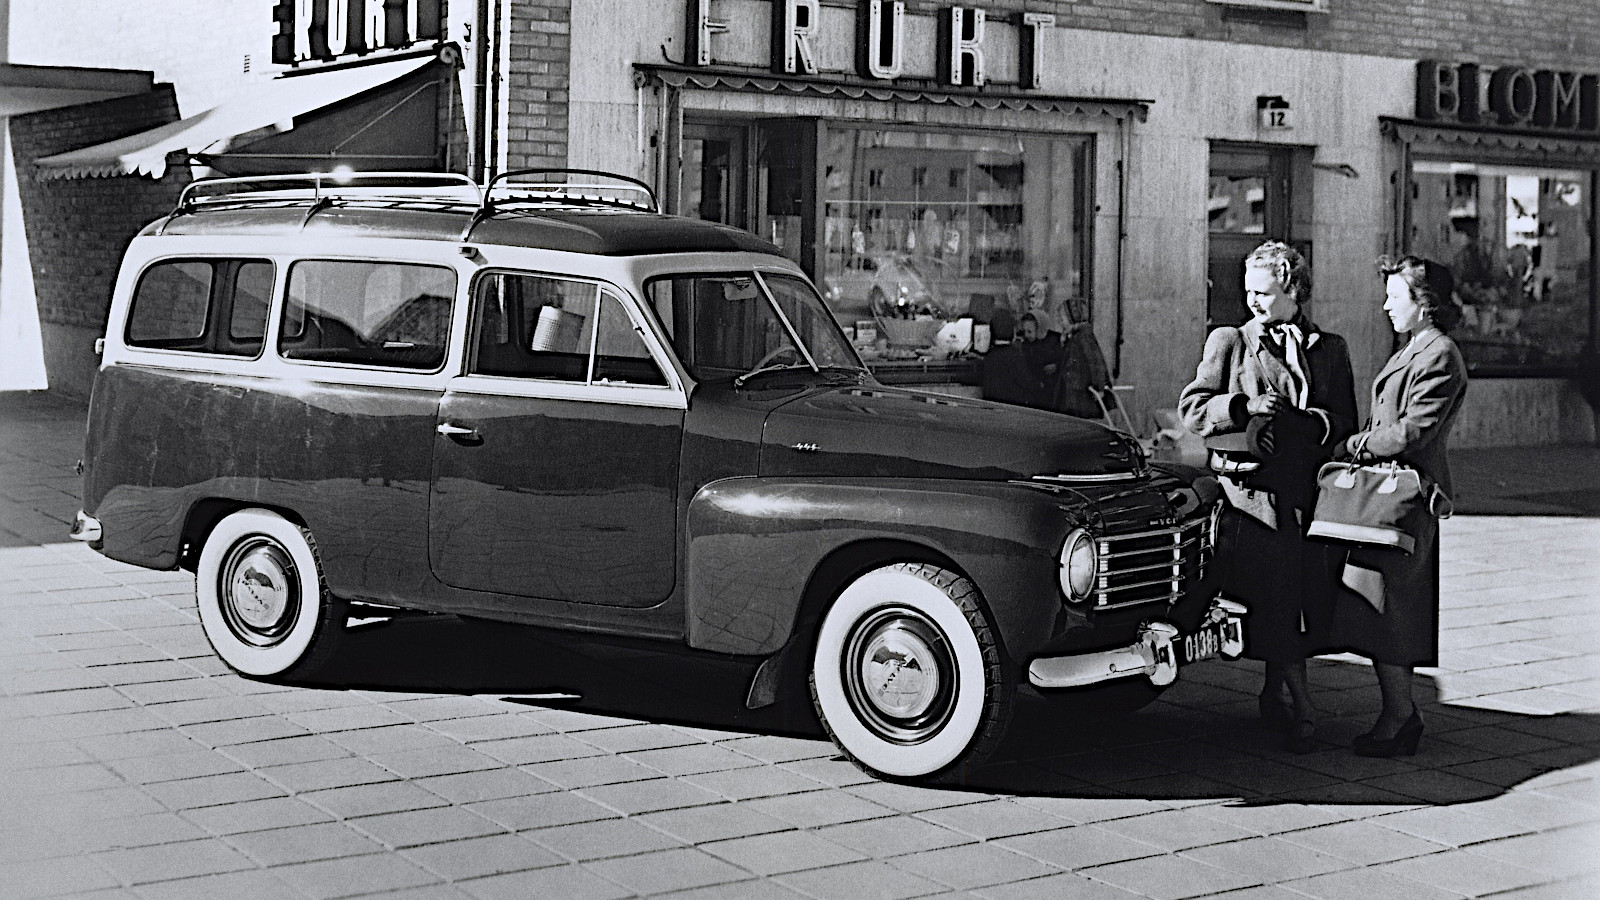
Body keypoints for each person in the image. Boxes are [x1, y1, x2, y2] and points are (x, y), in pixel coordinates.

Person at [1178, 241, 1357, 753]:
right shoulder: (1230, 341)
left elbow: (1345, 420)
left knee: (1301, 599)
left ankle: (1273, 692)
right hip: (1252, 500)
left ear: (1294, 291)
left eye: (1264, 292)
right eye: (1249, 291)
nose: (1253, 301)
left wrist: (1307, 424)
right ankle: (1303, 707)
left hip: (1308, 494)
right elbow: (1193, 409)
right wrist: (1243, 407)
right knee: (1277, 599)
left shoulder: (1331, 348)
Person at [1327, 255, 1468, 757]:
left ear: (1424, 304)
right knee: (1381, 607)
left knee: (1392, 611)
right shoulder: (1415, 347)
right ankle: (1399, 712)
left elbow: (1412, 431)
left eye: (1395, 297)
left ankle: (1400, 716)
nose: (1386, 306)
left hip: (1405, 500)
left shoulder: (1439, 354)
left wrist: (1353, 446)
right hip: (1387, 499)